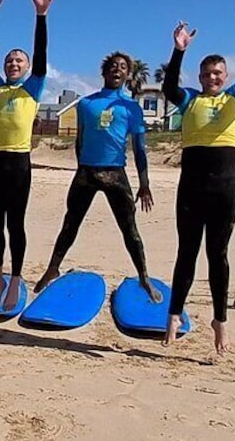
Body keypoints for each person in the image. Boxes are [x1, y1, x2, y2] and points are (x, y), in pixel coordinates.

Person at [34, 52, 162, 303]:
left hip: (115, 173)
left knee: (130, 229)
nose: (117, 70)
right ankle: (53, 267)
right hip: (86, 172)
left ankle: (144, 276)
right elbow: (80, 140)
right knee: (70, 223)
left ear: (127, 75)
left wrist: (144, 184)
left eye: (123, 67)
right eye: (113, 66)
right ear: (104, 73)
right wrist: (82, 168)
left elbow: (139, 148)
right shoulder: (85, 104)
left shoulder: (131, 107)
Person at [162, 14, 235, 354]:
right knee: (186, 252)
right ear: (200, 77)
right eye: (207, 74)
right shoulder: (190, 100)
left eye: (218, 74)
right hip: (191, 189)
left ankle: (219, 321)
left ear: (225, 77)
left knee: (218, 255)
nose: (212, 78)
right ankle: (173, 315)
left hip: (225, 190)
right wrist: (178, 50)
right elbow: (168, 88)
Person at [0, 0, 58, 313]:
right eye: (10, 60)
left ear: (26, 69)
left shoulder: (33, 87)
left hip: (19, 164)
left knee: (16, 224)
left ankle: (15, 279)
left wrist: (41, 16)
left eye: (18, 61)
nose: (13, 63)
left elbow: (41, 56)